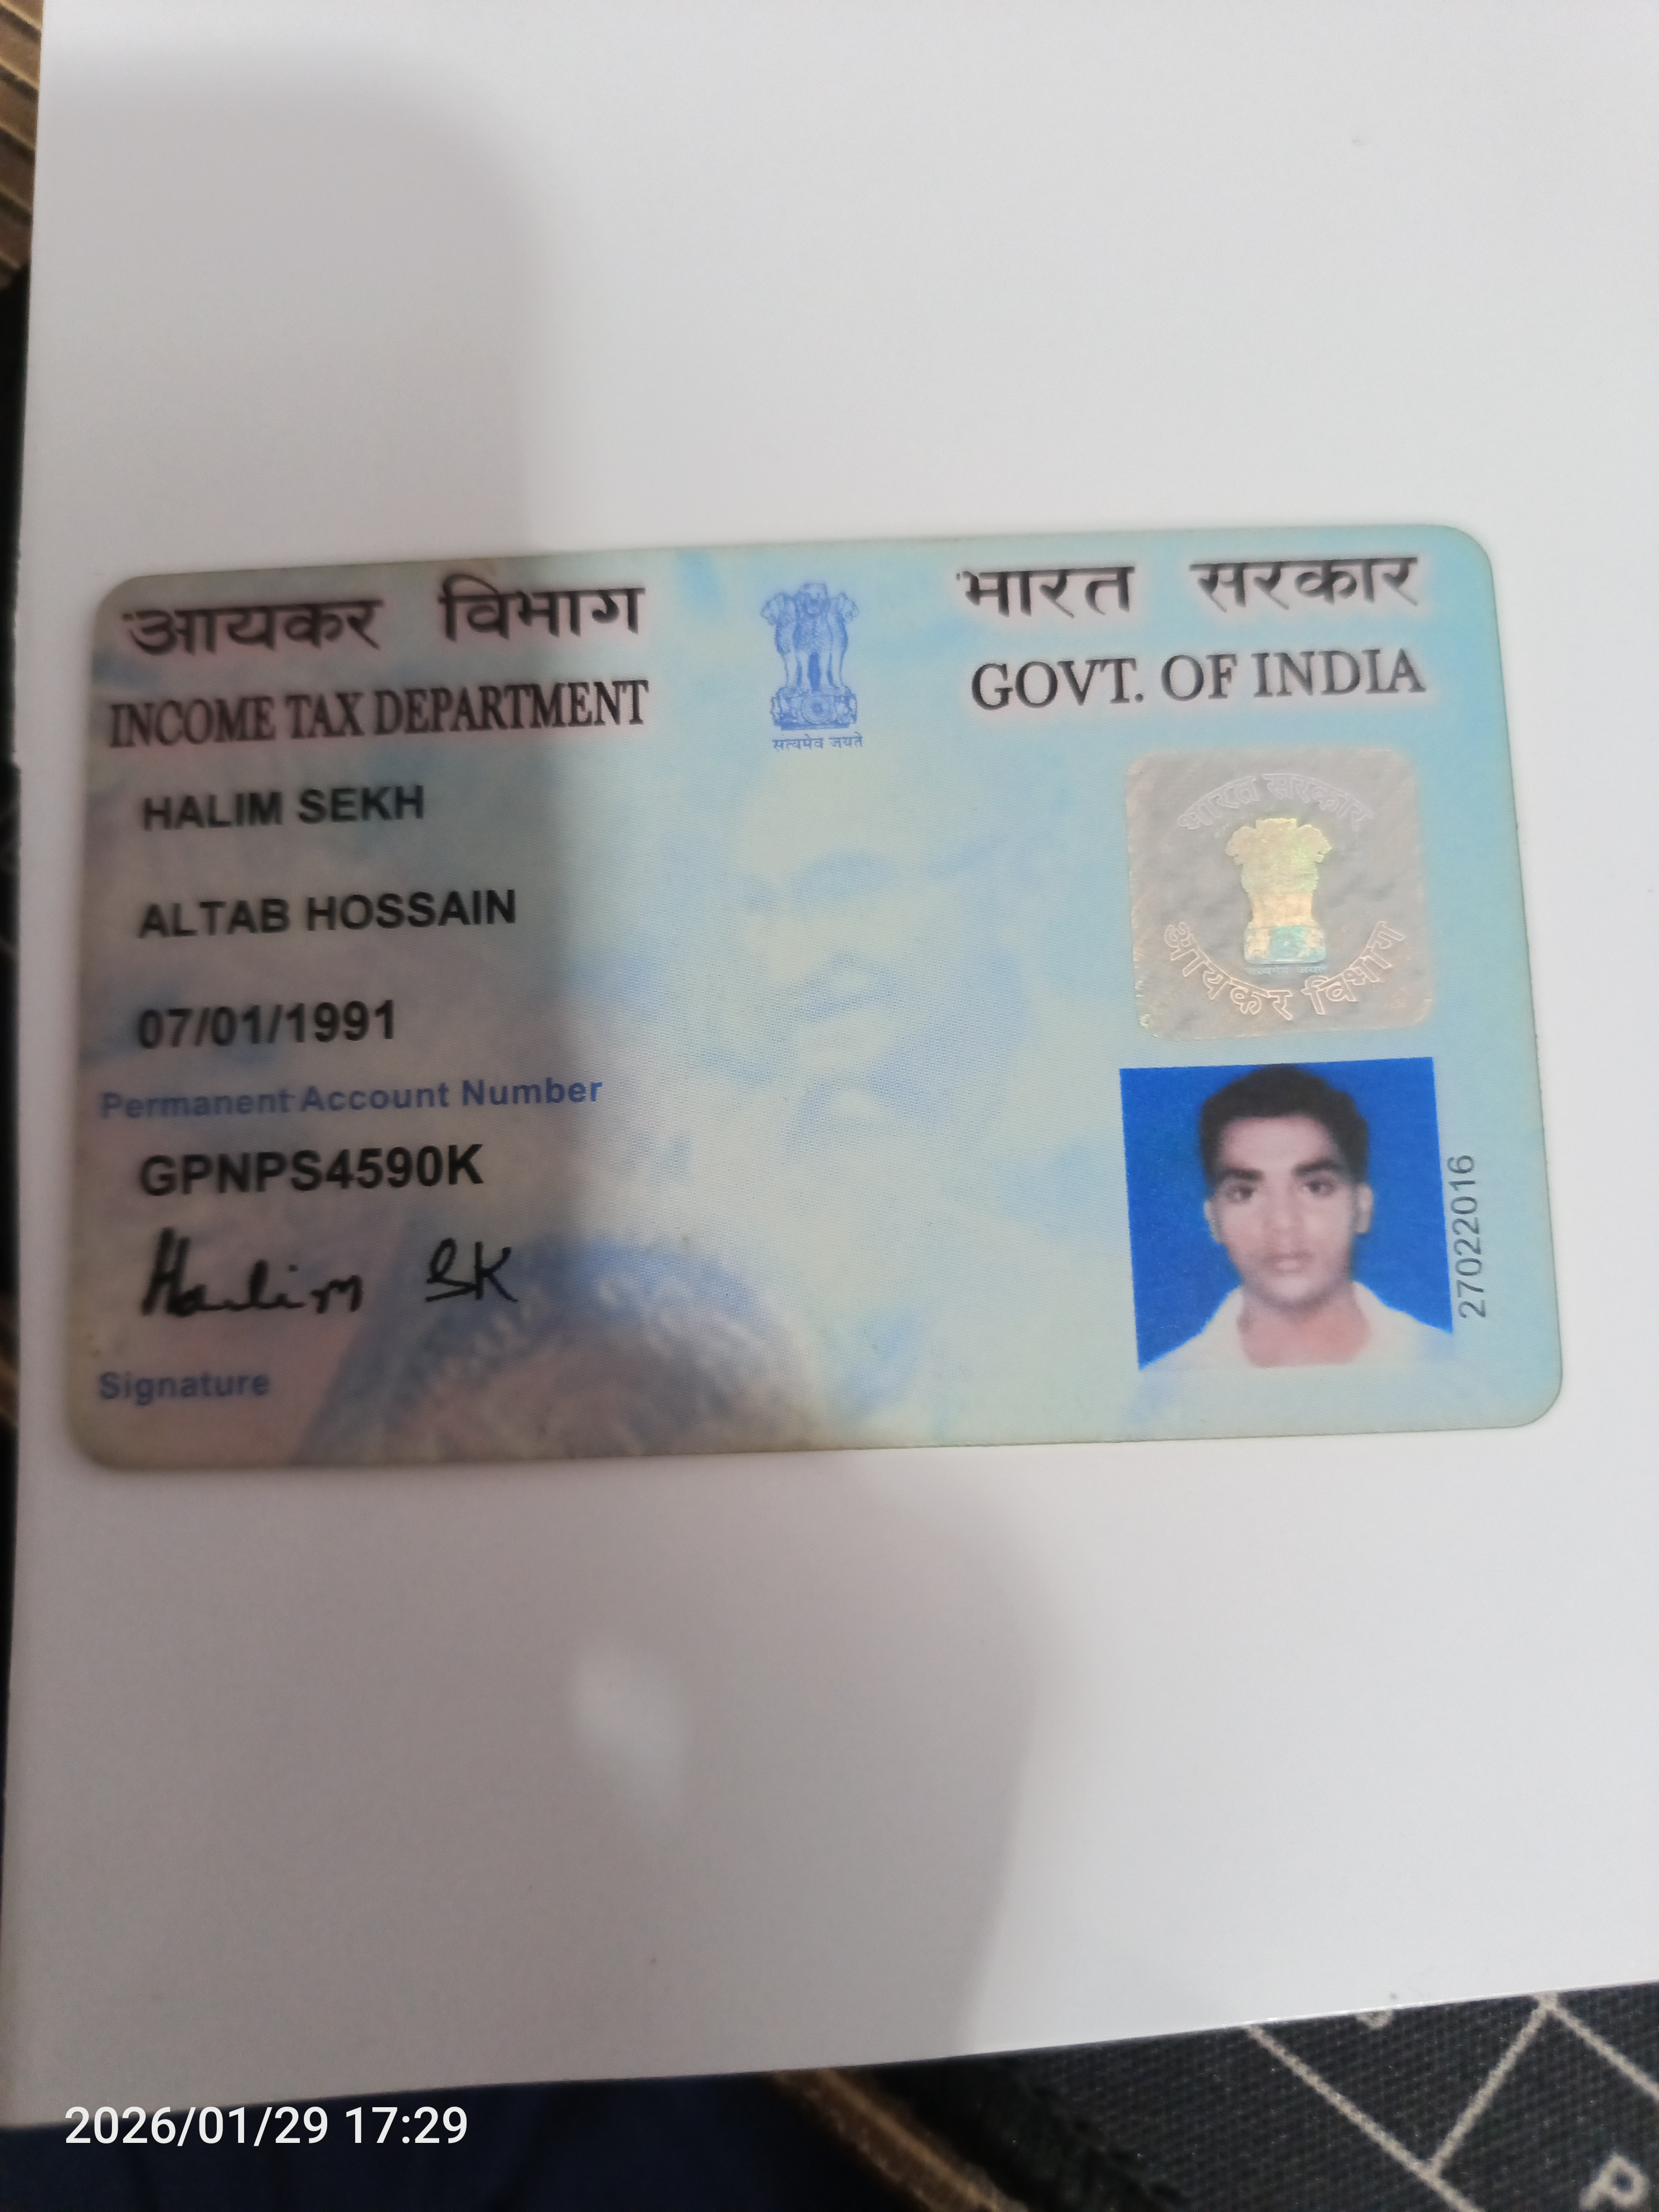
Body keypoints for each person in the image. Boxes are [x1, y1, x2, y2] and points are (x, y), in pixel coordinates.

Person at [1156, 1064, 1444, 1369]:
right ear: (1213, 1219)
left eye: (1316, 1187)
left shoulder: (1455, 1376)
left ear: (1362, 1208)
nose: (1283, 1223)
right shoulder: (1160, 1391)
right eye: (1245, 1193)